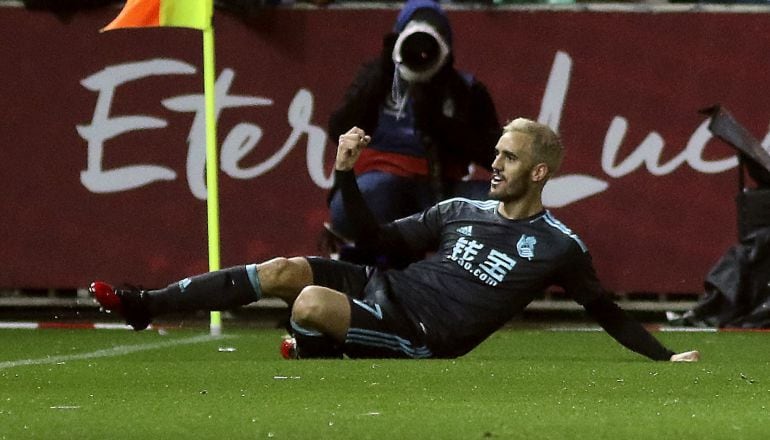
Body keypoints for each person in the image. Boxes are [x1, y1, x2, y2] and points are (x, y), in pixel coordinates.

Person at [91, 119, 700, 362]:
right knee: (282, 272)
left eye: (508, 158)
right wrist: (345, 174)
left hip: (425, 333)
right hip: (387, 286)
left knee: (307, 305)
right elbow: (374, 240)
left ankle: (316, 346)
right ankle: (146, 305)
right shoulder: (462, 208)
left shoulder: (557, 244)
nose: (495, 164)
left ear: (539, 172)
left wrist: (665, 356)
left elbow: (606, 312)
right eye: (496, 153)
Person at [325, 0, 501, 267]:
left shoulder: (466, 89)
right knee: (369, 196)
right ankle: (378, 263)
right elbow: (338, 129)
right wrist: (383, 73)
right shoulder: (376, 78)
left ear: (446, 47)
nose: (421, 53)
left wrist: (440, 123)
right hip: (379, 187)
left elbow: (495, 156)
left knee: (498, 204)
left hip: (442, 191)